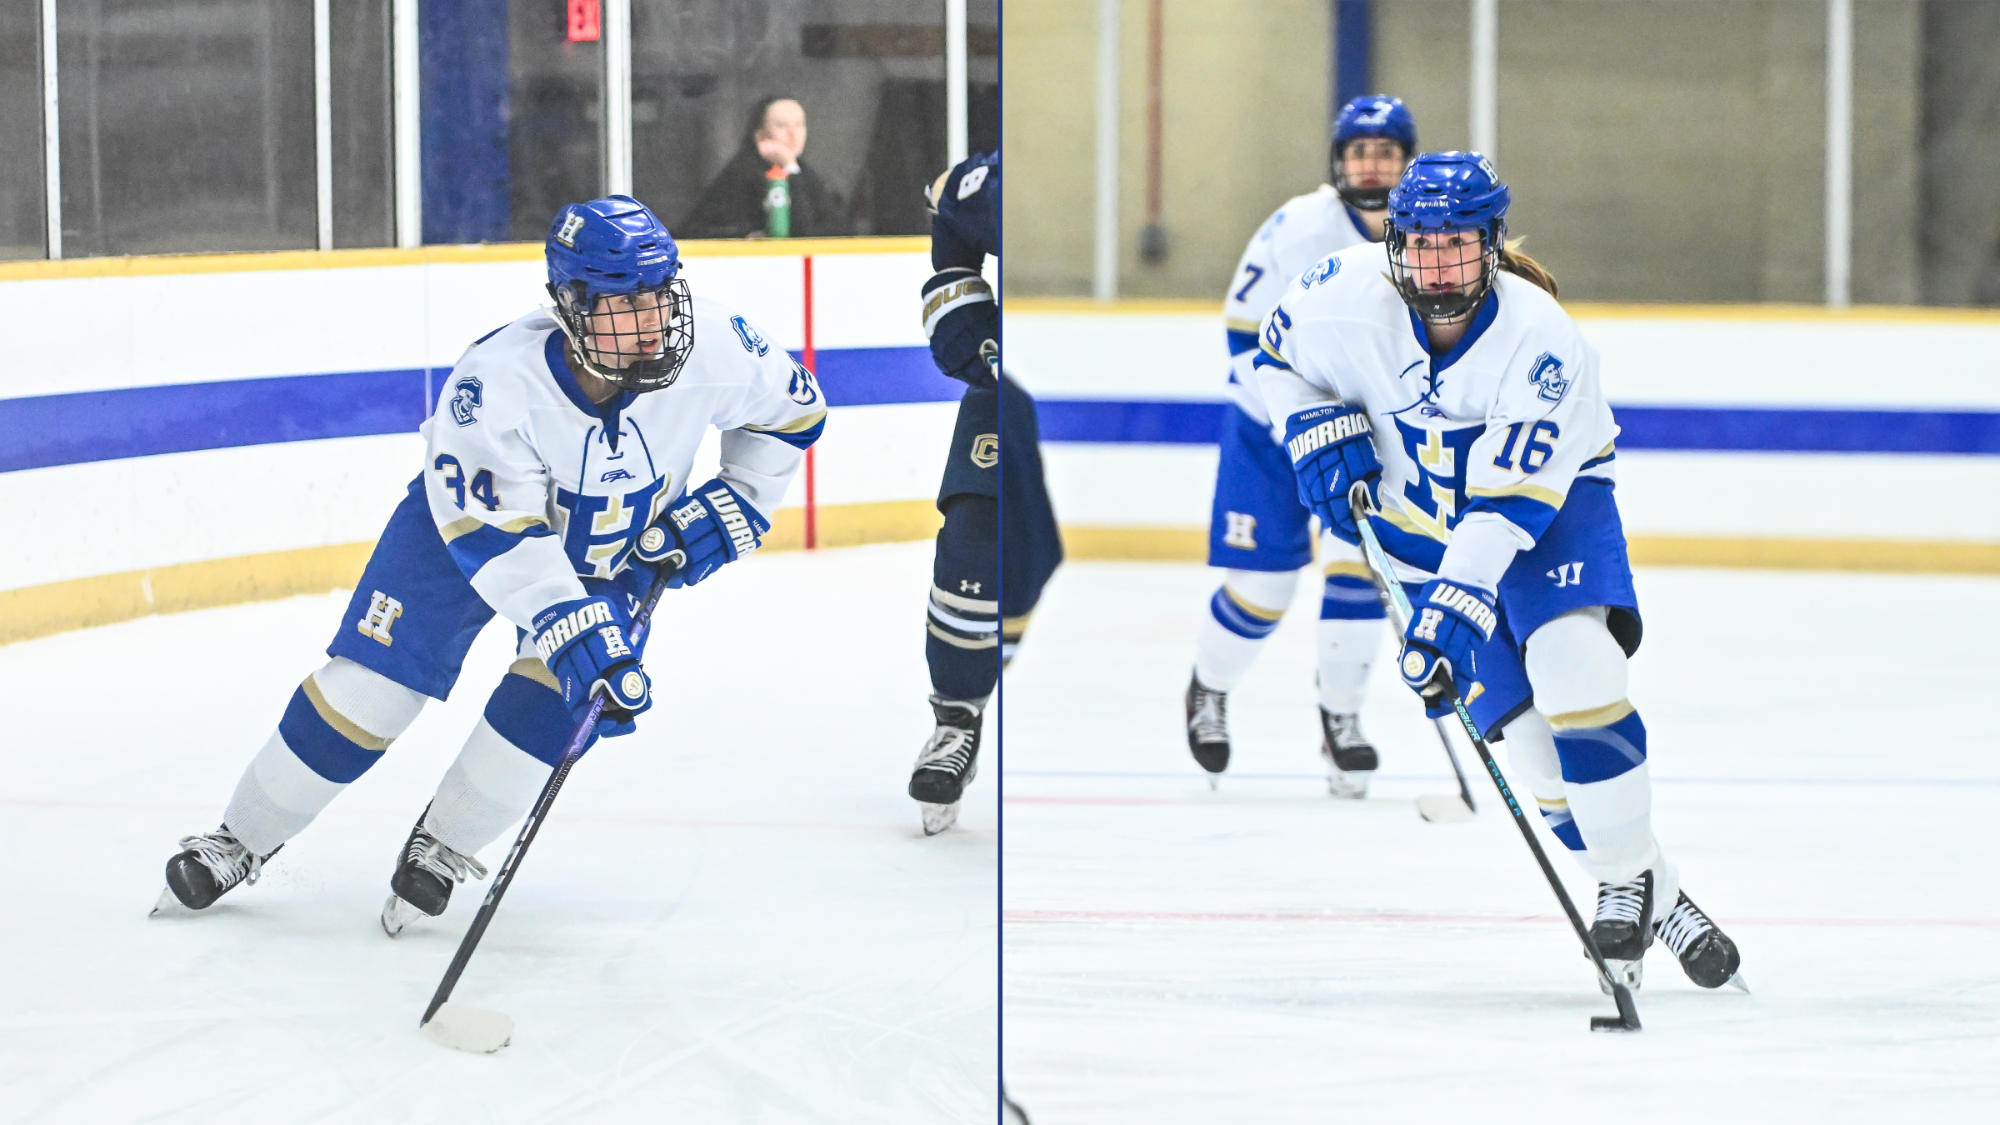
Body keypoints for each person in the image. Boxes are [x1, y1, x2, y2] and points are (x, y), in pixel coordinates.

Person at [156, 196, 827, 934]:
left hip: (611, 555)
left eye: (659, 294)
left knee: (558, 698)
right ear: (571, 305)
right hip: (462, 535)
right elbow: (499, 533)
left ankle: (443, 846)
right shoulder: (495, 384)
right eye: (623, 303)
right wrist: (565, 618)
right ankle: (238, 839)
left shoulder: (719, 348)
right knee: (372, 690)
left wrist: (741, 500)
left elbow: (793, 414)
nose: (652, 320)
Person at [1253, 152, 1743, 991]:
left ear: (1491, 244)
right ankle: (1658, 895)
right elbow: (1274, 362)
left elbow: (1506, 511)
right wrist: (1307, 425)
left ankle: (1626, 877)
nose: (1438, 267)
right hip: (1415, 539)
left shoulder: (1543, 340)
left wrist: (1450, 610)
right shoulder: (1336, 294)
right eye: (1422, 246)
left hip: (1548, 515)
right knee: (1541, 768)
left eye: (1459, 247)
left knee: (1575, 670)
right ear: (1394, 240)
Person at [1186, 95, 1415, 797]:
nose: (1371, 164)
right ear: (1337, 160)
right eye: (1359, 151)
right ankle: (1209, 688)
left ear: (1406, 161)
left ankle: (1341, 720)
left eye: (1386, 151)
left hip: (1369, 438)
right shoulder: (1296, 227)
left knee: (1359, 572)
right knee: (1265, 585)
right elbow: (1240, 332)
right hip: (1270, 432)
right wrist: (1296, 417)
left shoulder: (1428, 231)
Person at [907, 152, 1063, 834]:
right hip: (1009, 391)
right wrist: (959, 308)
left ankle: (991, 663)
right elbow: (952, 224)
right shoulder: (982, 180)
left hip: (1080, 382)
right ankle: (957, 717)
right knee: (972, 545)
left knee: (1029, 565)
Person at [681, 96, 854, 239]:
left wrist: (790, 168)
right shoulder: (742, 174)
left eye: (799, 124)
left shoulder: (802, 170)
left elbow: (836, 228)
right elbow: (697, 230)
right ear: (760, 135)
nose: (793, 134)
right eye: (782, 126)